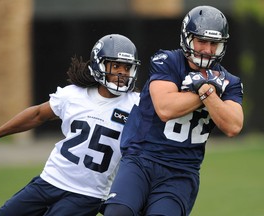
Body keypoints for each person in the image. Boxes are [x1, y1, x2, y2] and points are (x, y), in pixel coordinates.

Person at [0, 34, 141, 216]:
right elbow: (38, 114)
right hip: (49, 181)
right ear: (98, 64)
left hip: (87, 194)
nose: (122, 73)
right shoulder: (73, 95)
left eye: (127, 67)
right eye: (115, 66)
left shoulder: (137, 105)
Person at [104, 6, 244, 216]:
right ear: (187, 38)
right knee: (118, 211)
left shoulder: (230, 82)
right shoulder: (167, 61)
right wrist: (205, 92)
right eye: (201, 41)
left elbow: (233, 126)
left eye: (214, 43)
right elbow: (165, 108)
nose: (207, 49)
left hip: (181, 172)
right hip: (142, 158)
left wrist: (207, 92)